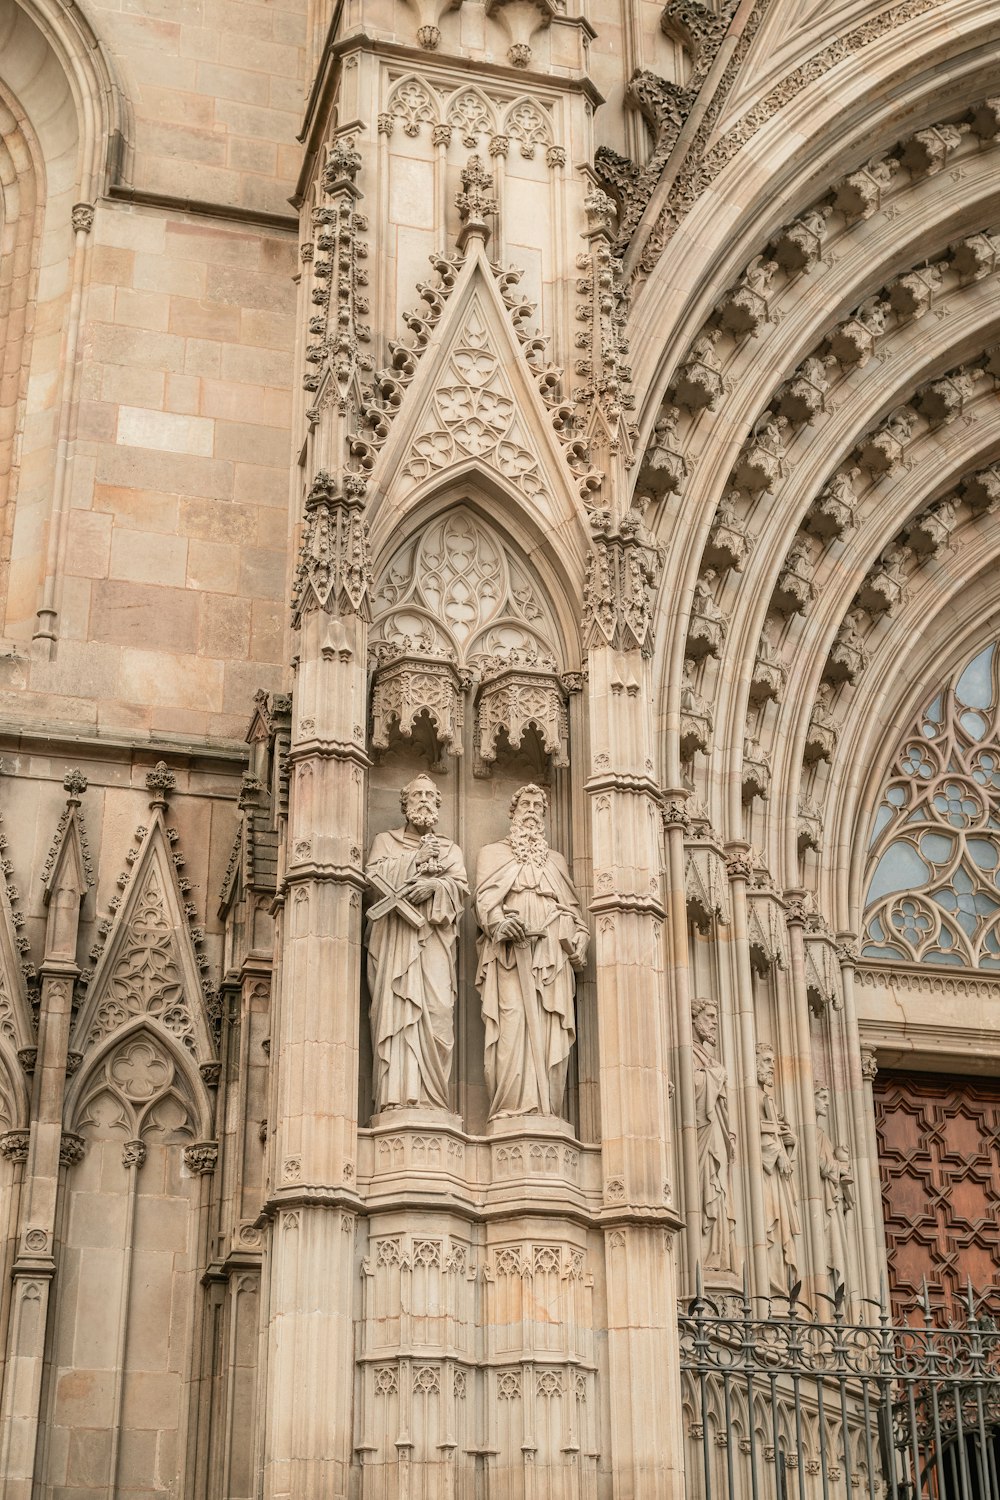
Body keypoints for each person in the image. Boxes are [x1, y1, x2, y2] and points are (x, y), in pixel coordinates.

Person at [474, 785, 589, 1119]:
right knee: (511, 1027)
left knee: (551, 1032)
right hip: (510, 958)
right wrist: (497, 924)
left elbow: (574, 914)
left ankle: (546, 1110)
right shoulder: (492, 854)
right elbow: (484, 903)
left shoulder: (556, 862)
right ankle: (512, 1108)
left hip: (553, 961)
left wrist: (580, 940)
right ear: (513, 811)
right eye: (525, 803)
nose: (532, 809)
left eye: (539, 805)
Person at [365, 775, 468, 1112]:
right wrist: (415, 860)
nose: (424, 800)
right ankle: (397, 1097)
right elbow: (372, 881)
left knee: (438, 1013)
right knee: (398, 1014)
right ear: (404, 803)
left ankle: (433, 1099)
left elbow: (461, 892)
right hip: (396, 943)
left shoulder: (451, 850)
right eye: (417, 795)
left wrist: (436, 888)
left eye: (430, 796)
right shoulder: (386, 841)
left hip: (434, 943)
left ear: (438, 804)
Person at [692, 998, 737, 1273]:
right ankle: (704, 1259)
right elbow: (694, 1091)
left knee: (718, 1189)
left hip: (716, 1133)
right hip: (702, 1134)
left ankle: (718, 1255)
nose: (716, 1022)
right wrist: (715, 1075)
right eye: (709, 1016)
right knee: (706, 1187)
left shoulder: (707, 1059)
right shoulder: (689, 1054)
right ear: (694, 1018)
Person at [757, 1043, 801, 1289]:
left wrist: (789, 1144)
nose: (772, 1067)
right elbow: (748, 1133)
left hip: (776, 1177)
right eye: (766, 1061)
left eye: (773, 1061)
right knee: (769, 1226)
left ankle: (782, 1290)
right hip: (763, 1178)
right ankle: (772, 1287)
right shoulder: (750, 1095)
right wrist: (777, 1152)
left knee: (780, 1224)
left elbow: (772, 1133)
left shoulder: (767, 1099)